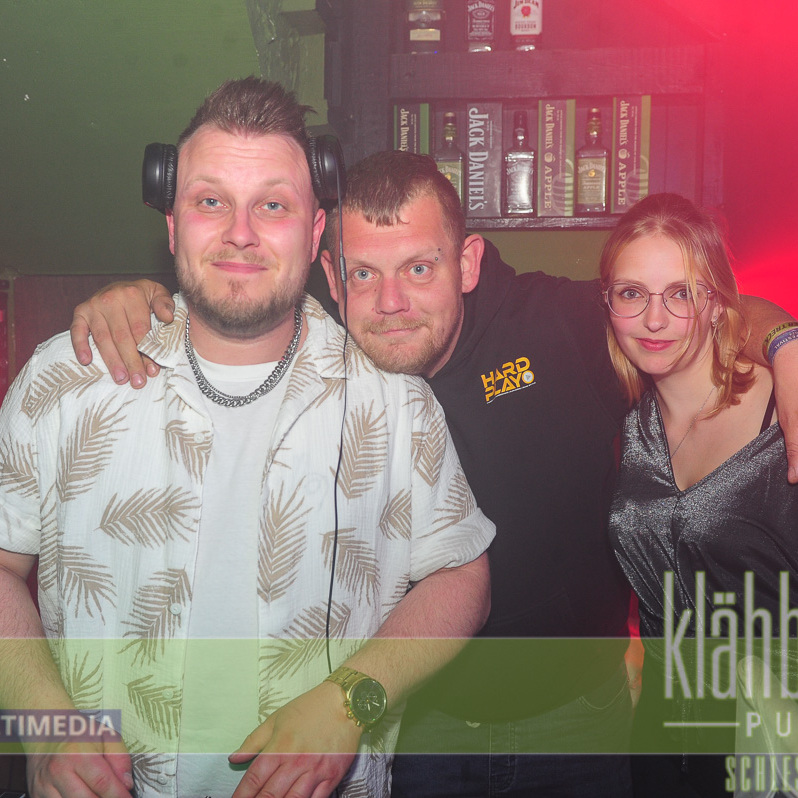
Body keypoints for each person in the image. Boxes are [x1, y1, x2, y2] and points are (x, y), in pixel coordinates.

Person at [69, 152, 798, 797]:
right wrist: (135, 302)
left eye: (420, 268)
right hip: (411, 727)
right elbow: (223, 304)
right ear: (332, 275)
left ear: (468, 263)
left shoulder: (559, 322)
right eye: (364, 273)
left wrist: (786, 343)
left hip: (580, 723)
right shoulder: (317, 352)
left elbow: (702, 305)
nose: (391, 303)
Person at [0, 81, 495, 798]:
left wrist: (351, 701)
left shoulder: (395, 402)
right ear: (173, 225)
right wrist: (44, 727)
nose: (240, 232)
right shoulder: (64, 379)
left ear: (316, 234)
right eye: (210, 201)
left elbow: (463, 576)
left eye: (272, 205)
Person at [601, 193, 798, 797]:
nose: (654, 320)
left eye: (681, 293)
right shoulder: (627, 428)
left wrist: (787, 343)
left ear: (715, 303)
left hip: (772, 738)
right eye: (632, 293)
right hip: (660, 741)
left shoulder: (783, 416)